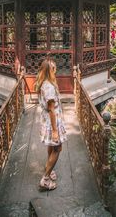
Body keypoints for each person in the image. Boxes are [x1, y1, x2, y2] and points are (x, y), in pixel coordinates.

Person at [35, 58, 67, 191]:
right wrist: (55, 131)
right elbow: (52, 110)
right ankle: (45, 179)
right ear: (49, 70)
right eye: (54, 68)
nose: (56, 70)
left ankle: (49, 167)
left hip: (47, 119)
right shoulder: (49, 87)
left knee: (51, 146)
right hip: (52, 121)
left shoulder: (43, 83)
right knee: (58, 148)